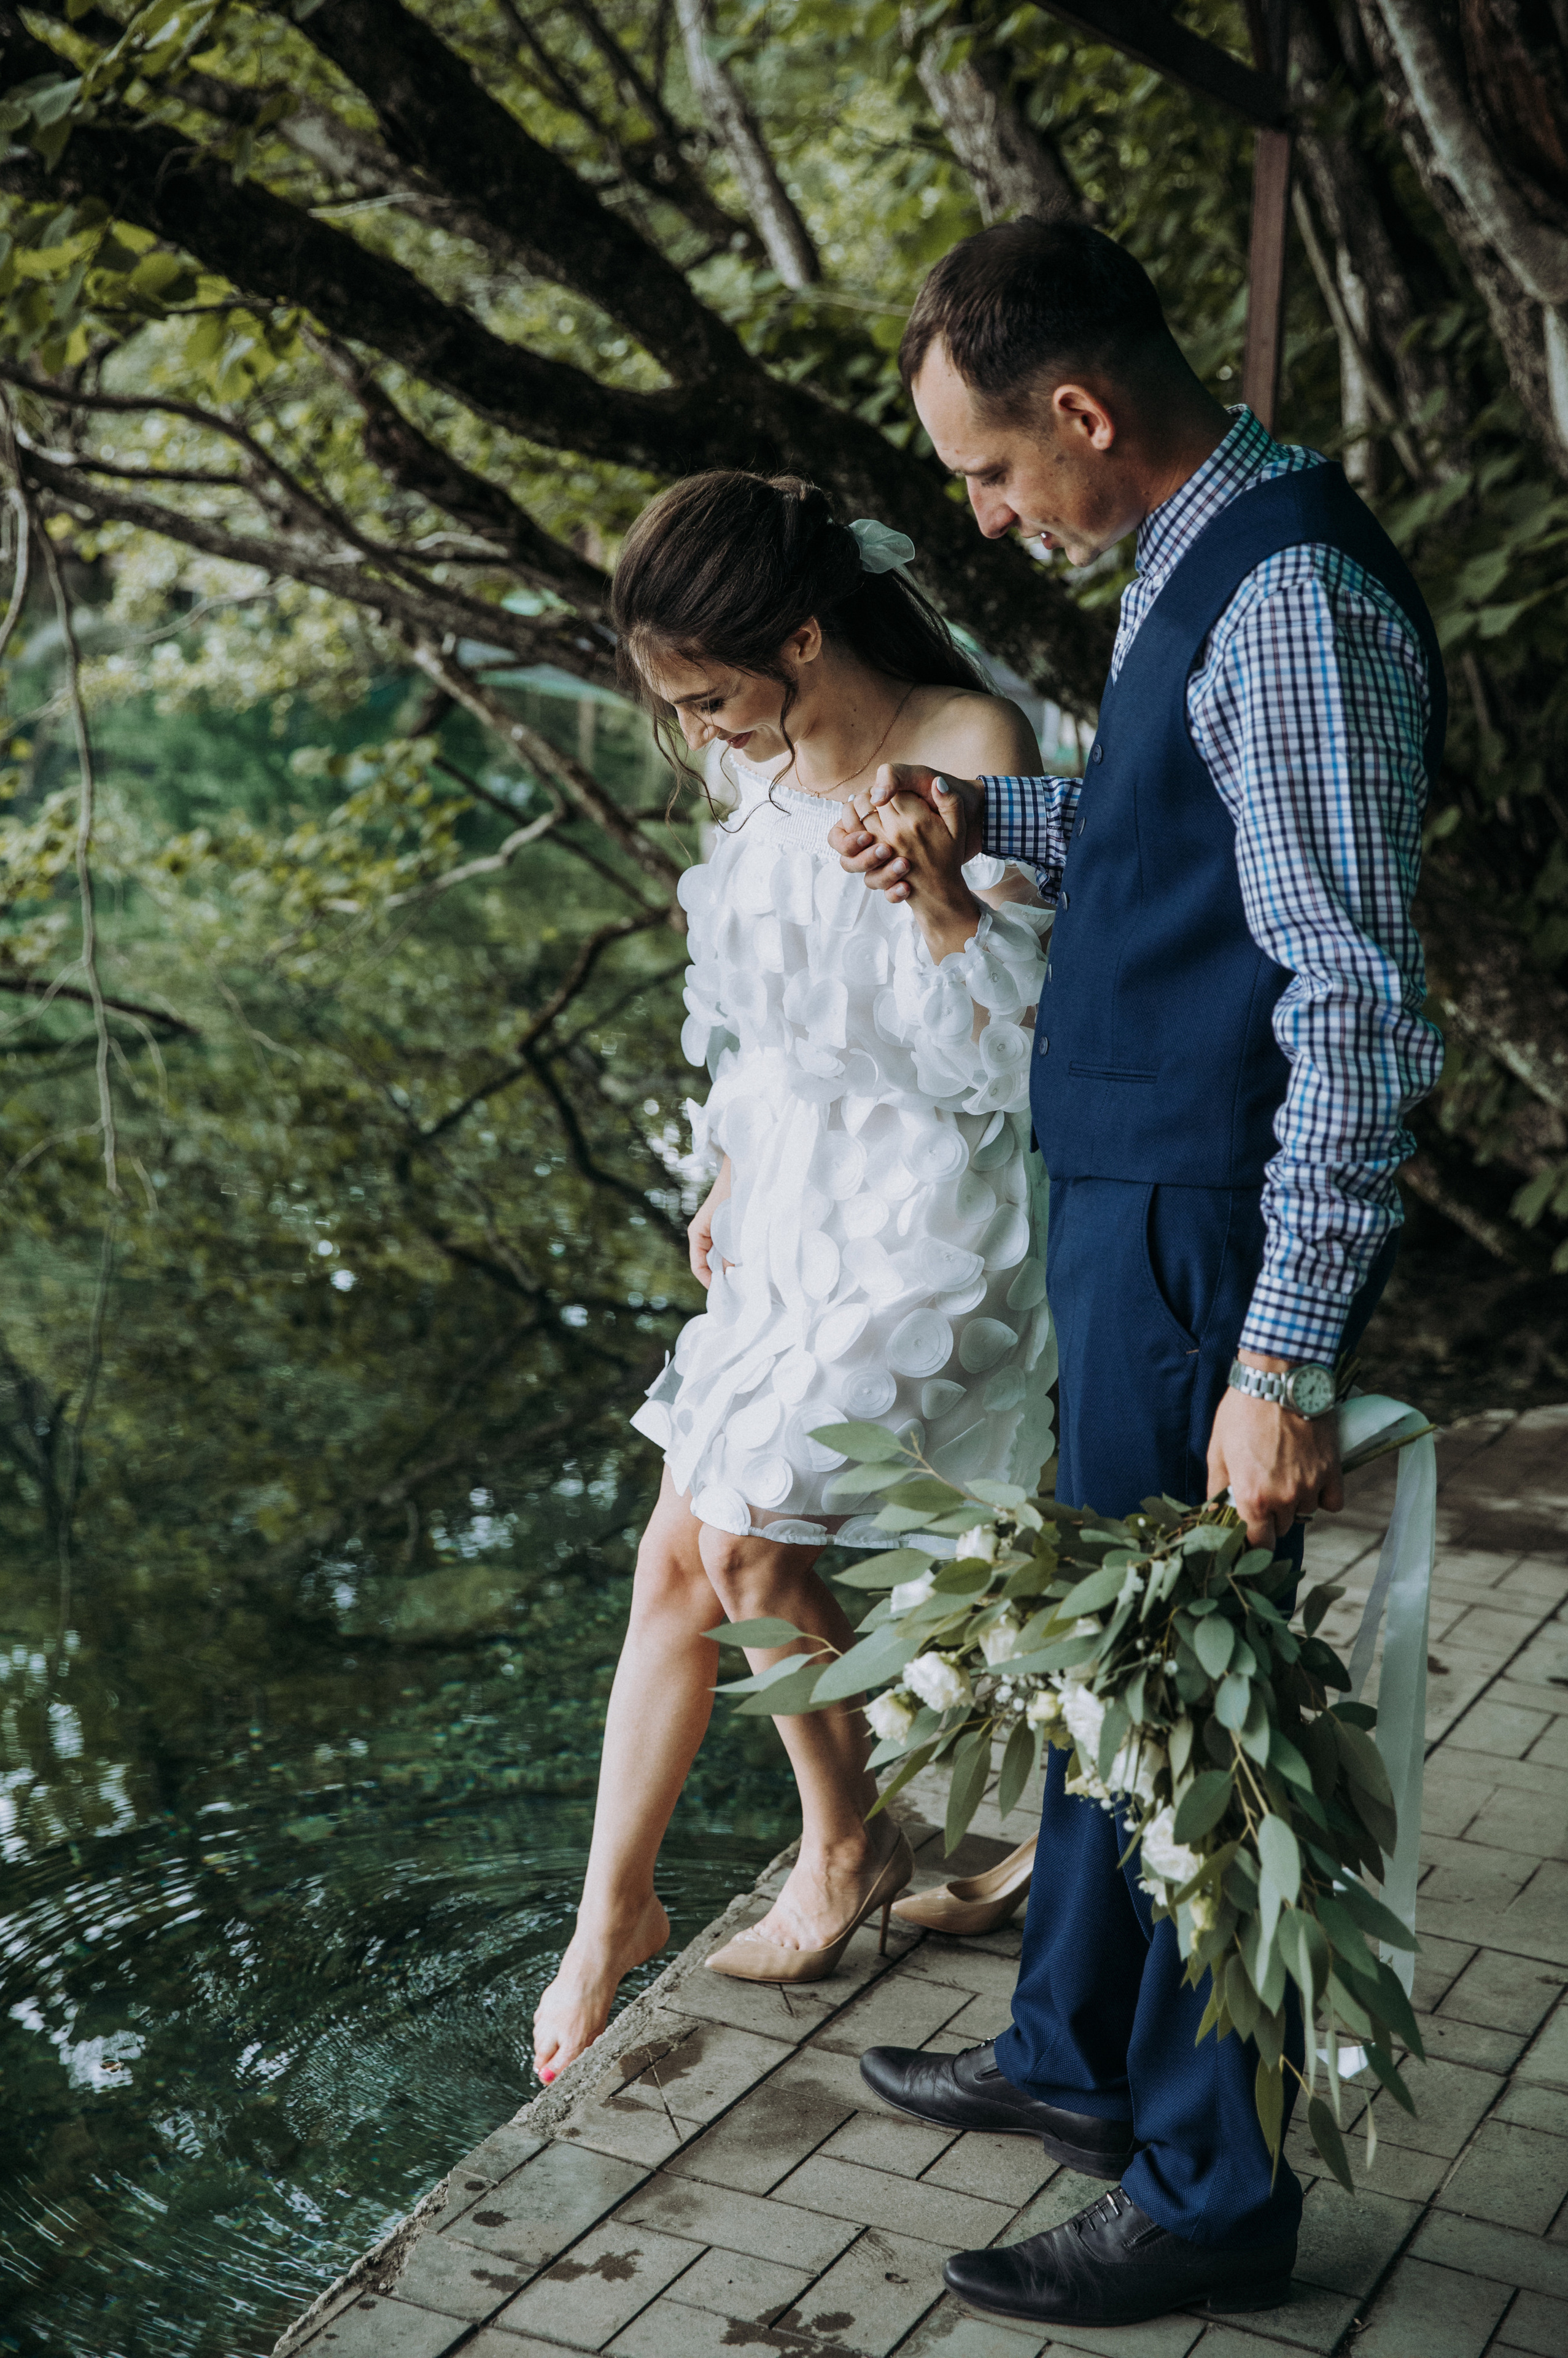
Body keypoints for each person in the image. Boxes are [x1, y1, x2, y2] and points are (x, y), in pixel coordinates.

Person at [830, 218, 1445, 2330]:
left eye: (996, 475)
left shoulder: (1286, 596)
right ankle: (1079, 2053)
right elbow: (1184, 831)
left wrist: (1281, 1347)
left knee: (1197, 1703)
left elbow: (1358, 1006)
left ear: (1083, 413)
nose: (989, 517)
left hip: (1208, 1233)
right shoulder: (1199, 550)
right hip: (1134, 1200)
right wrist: (992, 818)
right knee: (1110, 1647)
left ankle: (1210, 2193)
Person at [531, 469, 1057, 2082]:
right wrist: (732, 1172)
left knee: (753, 1536)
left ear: (807, 635)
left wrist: (943, 895)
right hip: (798, 1208)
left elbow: (1016, 1065)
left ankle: (850, 1848)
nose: (701, 731)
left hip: (941, 1206)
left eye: (711, 695)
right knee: (677, 1553)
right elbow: (751, 1020)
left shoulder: (971, 750)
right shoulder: (742, 771)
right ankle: (607, 1920)